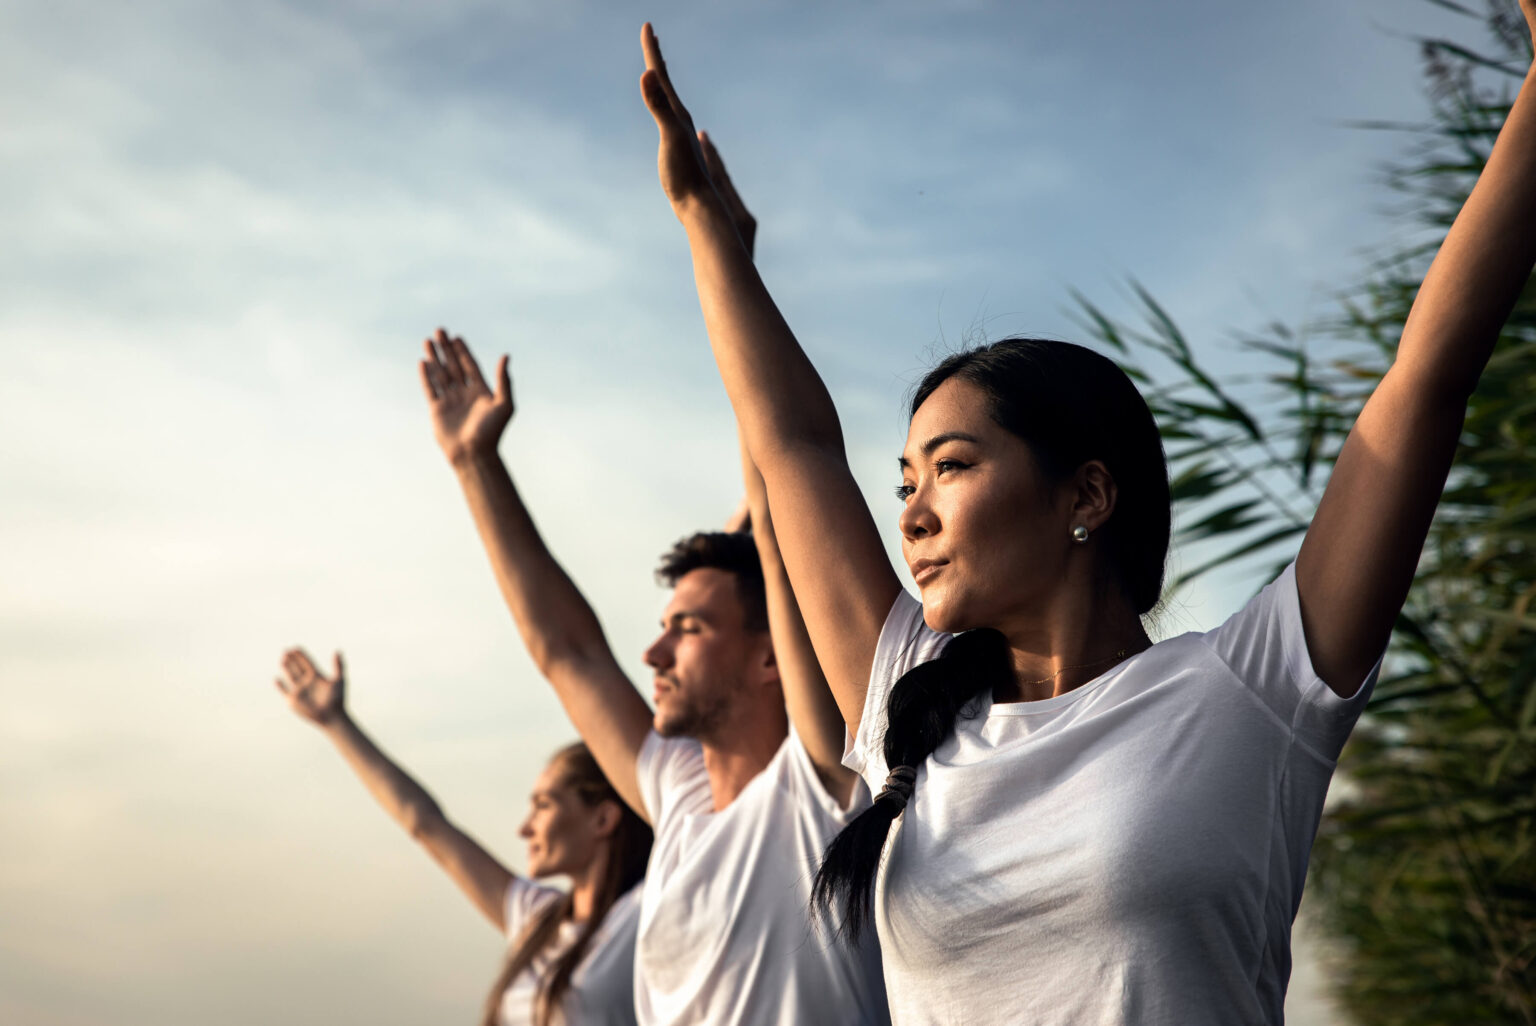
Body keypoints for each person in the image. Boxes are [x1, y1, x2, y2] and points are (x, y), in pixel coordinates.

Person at [635, 8, 1536, 1024]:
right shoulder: (907, 703)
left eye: (953, 467)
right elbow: (793, 442)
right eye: (904, 484)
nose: (914, 514)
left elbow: (1425, 379)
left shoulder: (1249, 691)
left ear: (1087, 497)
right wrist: (705, 232)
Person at [415, 171, 889, 1024]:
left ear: (770, 655)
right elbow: (566, 649)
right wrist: (474, 467)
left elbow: (781, 503)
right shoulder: (674, 795)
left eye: (690, 627)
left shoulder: (821, 785)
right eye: (665, 627)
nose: (654, 652)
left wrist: (720, 253)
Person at [272, 648, 650, 1026]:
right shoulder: (537, 920)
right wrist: (336, 722)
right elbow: (425, 825)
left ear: (603, 819)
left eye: (544, 806)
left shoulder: (644, 916)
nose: (524, 828)